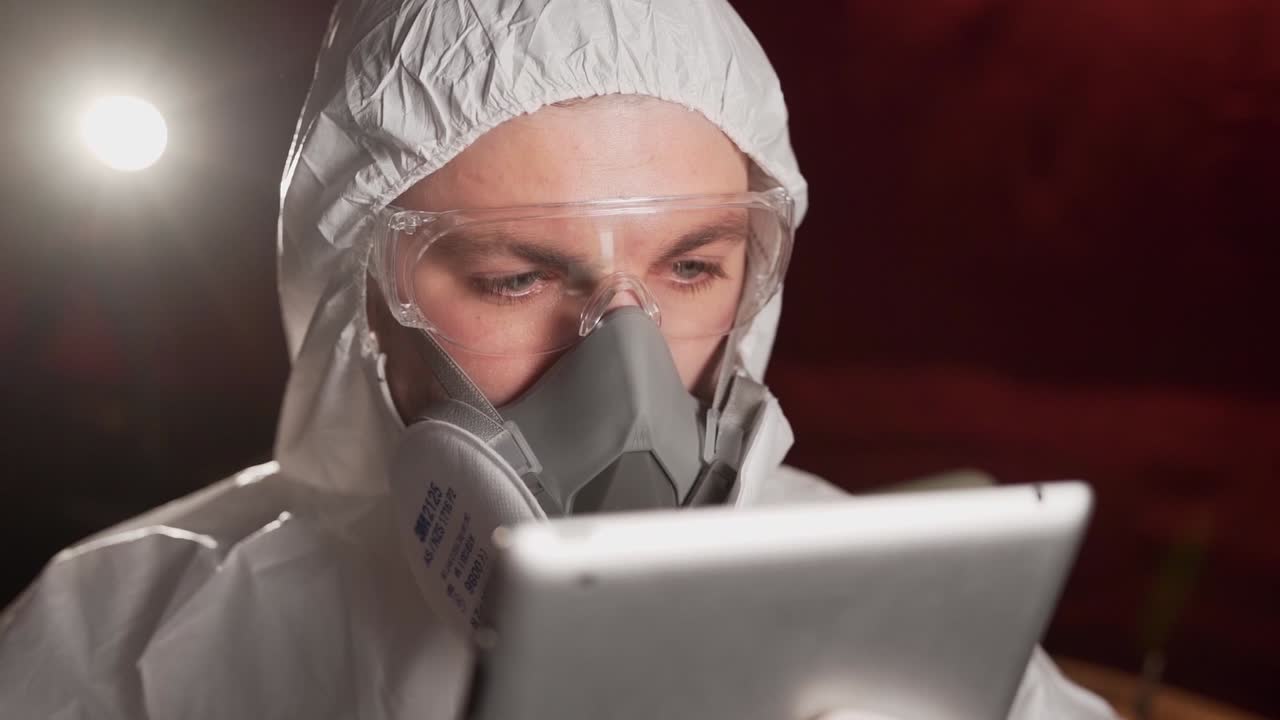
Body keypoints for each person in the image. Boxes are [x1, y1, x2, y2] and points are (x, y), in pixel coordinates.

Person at [0, 0, 1116, 717]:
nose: (626, 371)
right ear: (363, 299)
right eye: (512, 278)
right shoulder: (118, 644)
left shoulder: (913, 619)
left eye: (691, 268)